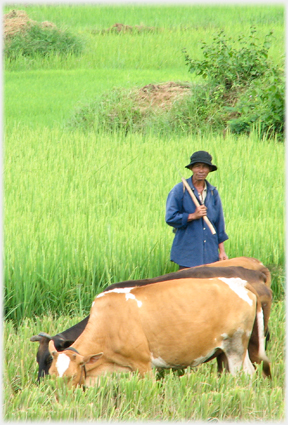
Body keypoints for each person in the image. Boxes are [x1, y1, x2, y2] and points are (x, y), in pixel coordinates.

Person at [165, 150, 228, 268]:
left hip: (210, 255)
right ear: (192, 168)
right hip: (188, 255)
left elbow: (219, 224)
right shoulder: (180, 190)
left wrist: (222, 251)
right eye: (197, 166)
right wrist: (193, 216)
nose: (201, 170)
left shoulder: (213, 192)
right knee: (187, 286)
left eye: (205, 167)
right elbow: (170, 218)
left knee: (209, 286)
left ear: (209, 170)